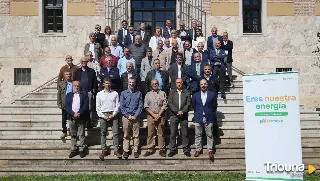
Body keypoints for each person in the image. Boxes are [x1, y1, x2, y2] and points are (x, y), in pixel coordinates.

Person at [96, 78, 122, 160]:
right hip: (103, 115)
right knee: (103, 133)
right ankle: (104, 150)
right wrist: (103, 116)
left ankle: (116, 150)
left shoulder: (115, 93)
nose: (108, 85)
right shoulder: (99, 94)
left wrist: (113, 114)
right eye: (106, 83)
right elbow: (98, 107)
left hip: (113, 115)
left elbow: (118, 105)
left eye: (109, 83)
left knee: (116, 133)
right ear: (103, 84)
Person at [192, 79, 217, 159]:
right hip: (198, 116)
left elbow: (214, 107)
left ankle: (210, 150)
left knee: (209, 134)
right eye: (201, 84)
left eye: (204, 84)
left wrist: (211, 114)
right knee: (197, 134)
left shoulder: (212, 95)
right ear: (199, 85)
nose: (203, 85)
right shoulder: (195, 95)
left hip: (208, 117)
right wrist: (197, 114)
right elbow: (194, 106)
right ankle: (198, 149)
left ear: (207, 84)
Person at [64, 81, 89, 158]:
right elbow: (66, 106)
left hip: (81, 117)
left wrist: (79, 113)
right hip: (71, 117)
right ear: (72, 86)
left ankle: (81, 150)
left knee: (81, 134)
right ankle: (73, 150)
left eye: (78, 85)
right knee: (73, 134)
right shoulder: (68, 95)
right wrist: (73, 113)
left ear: (79, 86)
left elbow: (86, 104)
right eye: (75, 85)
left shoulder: (84, 94)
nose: (76, 87)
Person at [143, 79, 167, 157]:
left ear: (158, 84)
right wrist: (153, 115)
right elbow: (146, 106)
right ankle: (149, 149)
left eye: (156, 83)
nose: (154, 85)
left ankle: (161, 149)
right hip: (151, 115)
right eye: (153, 84)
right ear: (151, 85)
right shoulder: (148, 94)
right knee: (150, 133)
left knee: (161, 133)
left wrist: (159, 114)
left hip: (160, 115)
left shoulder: (162, 93)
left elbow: (164, 105)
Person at [167, 78, 191, 157]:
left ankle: (186, 149)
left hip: (183, 115)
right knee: (173, 133)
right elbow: (170, 103)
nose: (179, 84)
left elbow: (188, 103)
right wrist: (177, 111)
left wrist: (182, 111)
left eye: (180, 82)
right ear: (175, 83)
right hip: (174, 115)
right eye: (177, 82)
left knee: (185, 133)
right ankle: (172, 149)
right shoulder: (172, 92)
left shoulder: (186, 92)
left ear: (182, 83)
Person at [120, 77, 143, 159]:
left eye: (133, 82)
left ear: (135, 83)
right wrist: (128, 115)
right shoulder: (123, 93)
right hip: (126, 117)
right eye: (130, 82)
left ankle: (136, 150)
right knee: (126, 135)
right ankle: (126, 150)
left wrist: (135, 115)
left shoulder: (139, 93)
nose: (131, 84)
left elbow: (140, 106)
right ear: (128, 83)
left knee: (136, 135)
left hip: (136, 117)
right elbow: (122, 107)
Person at [73, 58, 98, 128]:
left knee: (89, 108)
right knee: (80, 107)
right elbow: (74, 81)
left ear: (87, 62)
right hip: (79, 92)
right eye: (82, 62)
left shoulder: (91, 71)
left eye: (85, 61)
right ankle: (81, 122)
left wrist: (94, 91)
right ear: (80, 62)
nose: (84, 63)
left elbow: (95, 82)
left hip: (88, 92)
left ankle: (88, 122)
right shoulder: (77, 71)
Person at [57, 71, 73, 138]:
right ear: (64, 75)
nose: (68, 75)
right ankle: (64, 131)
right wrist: (59, 103)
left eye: (69, 74)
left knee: (71, 118)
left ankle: (72, 131)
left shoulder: (73, 83)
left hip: (72, 103)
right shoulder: (61, 84)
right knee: (64, 118)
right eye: (66, 74)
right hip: (64, 103)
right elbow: (59, 94)